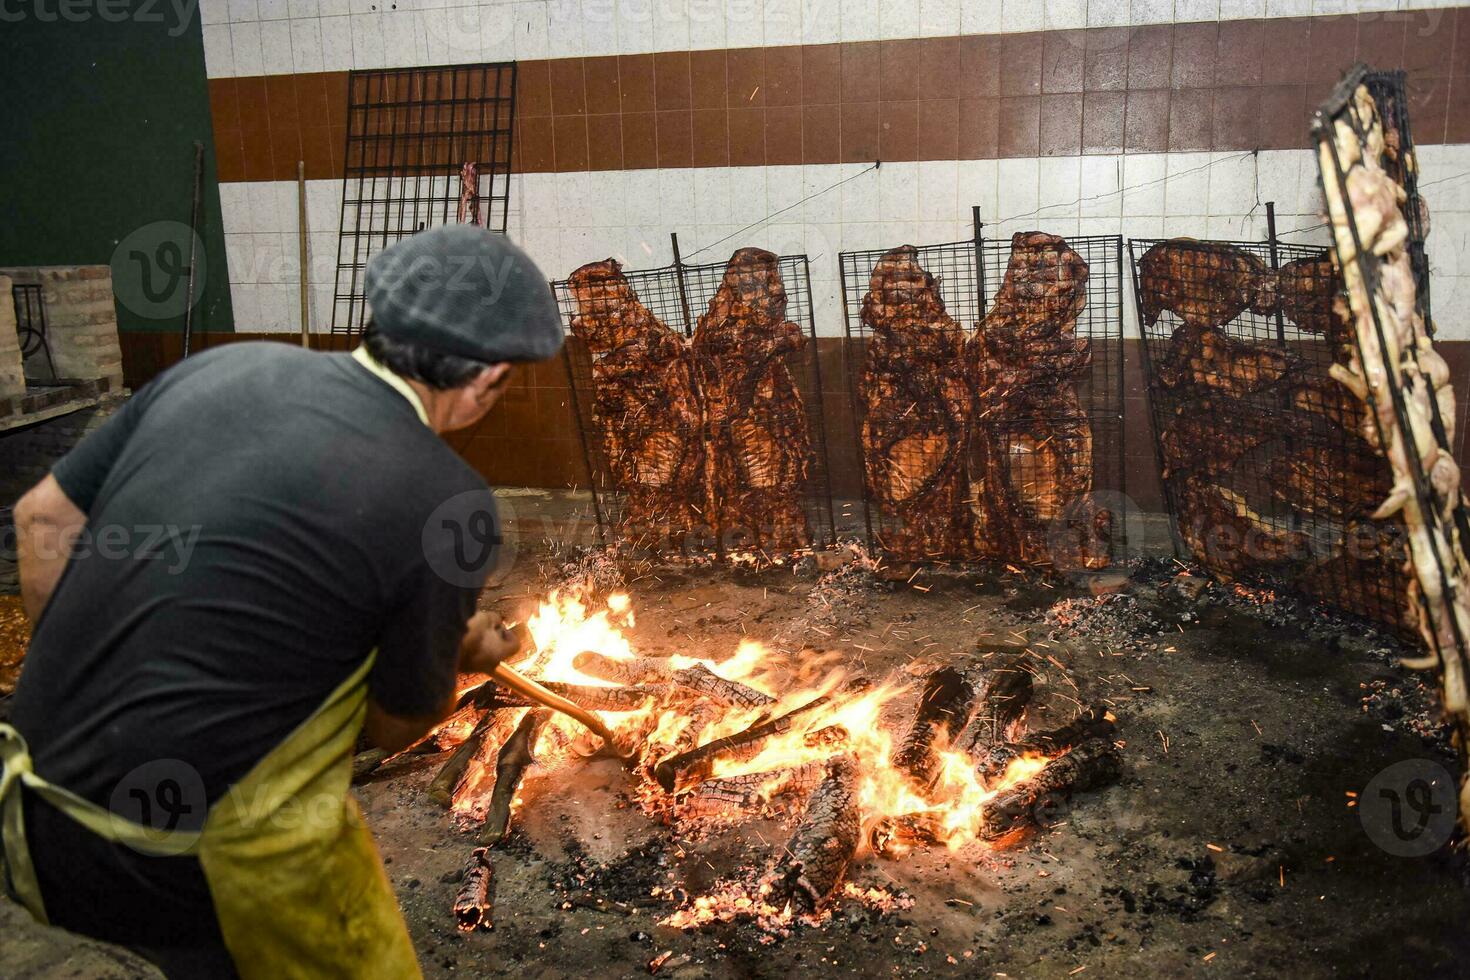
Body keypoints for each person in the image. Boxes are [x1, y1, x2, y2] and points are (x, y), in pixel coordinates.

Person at [0, 225, 562, 977]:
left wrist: (106, 681)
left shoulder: (217, 370)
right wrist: (460, 656)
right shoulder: (446, 499)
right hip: (191, 861)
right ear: (489, 377)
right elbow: (396, 724)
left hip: (31, 817)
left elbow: (42, 519)